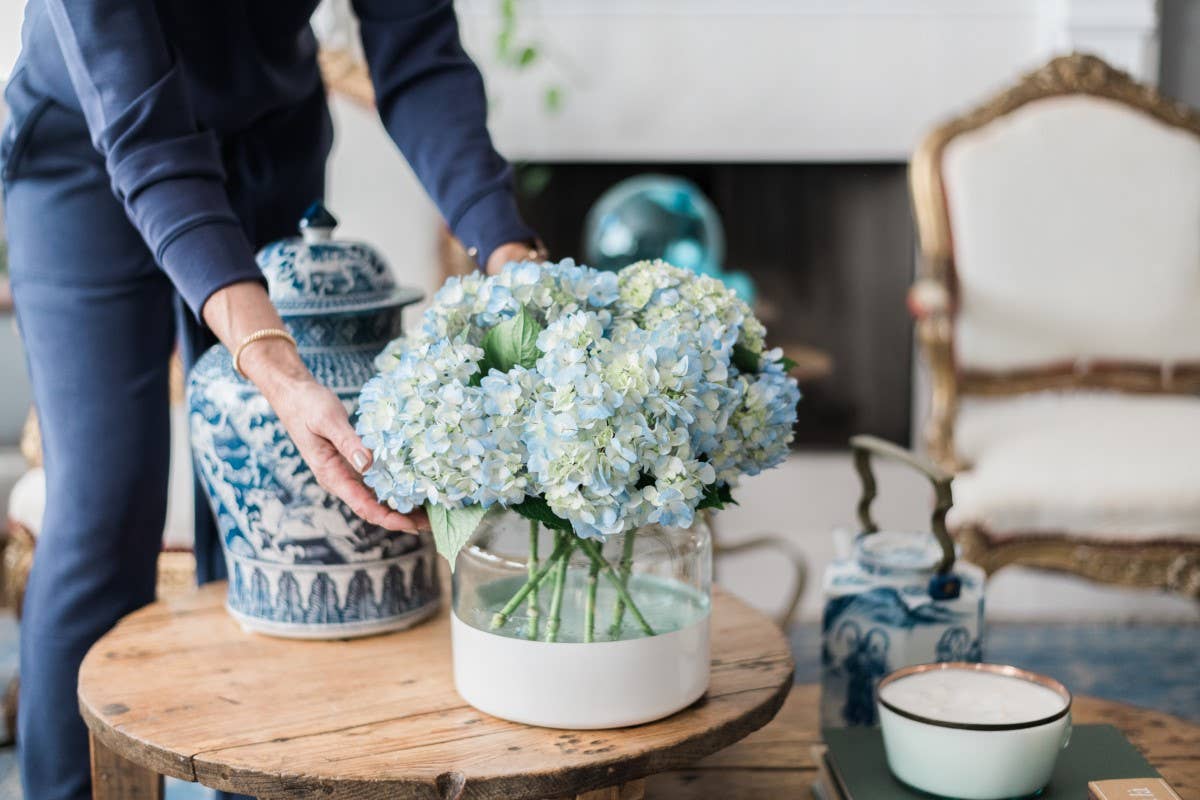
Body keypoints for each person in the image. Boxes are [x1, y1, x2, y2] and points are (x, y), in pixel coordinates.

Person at [1, 1, 539, 797]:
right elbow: (145, 136)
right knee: (104, 506)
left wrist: (512, 258)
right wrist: (277, 368)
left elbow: (418, 51)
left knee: (264, 517)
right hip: (87, 153)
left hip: (268, 143)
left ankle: (250, 779)